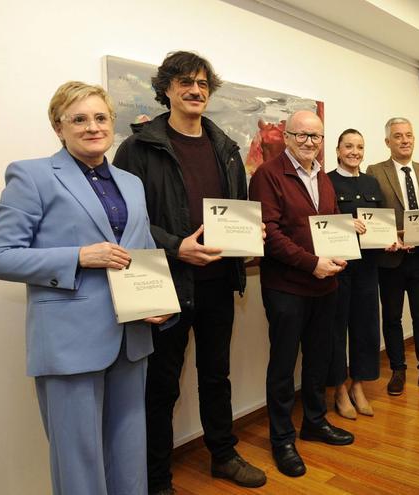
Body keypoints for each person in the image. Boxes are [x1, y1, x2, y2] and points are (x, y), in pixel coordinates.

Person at [0, 81, 171, 495]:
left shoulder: (131, 183)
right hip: (69, 341)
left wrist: (157, 301)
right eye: (79, 119)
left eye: (100, 118)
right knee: (78, 460)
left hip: (131, 337)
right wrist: (78, 256)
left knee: (129, 450)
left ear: (112, 124)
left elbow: (143, 249)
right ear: (58, 126)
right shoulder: (32, 176)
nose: (92, 127)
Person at [113, 51, 265, 494]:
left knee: (217, 376)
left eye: (201, 83)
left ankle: (223, 454)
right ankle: (156, 479)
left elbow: (238, 212)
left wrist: (248, 243)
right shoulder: (138, 148)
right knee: (161, 386)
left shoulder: (226, 147)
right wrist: (176, 246)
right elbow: (124, 219)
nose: (194, 90)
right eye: (184, 82)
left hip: (219, 283)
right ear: (166, 89)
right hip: (164, 282)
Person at [249, 110, 355, 478]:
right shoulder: (268, 175)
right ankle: (282, 440)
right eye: (303, 136)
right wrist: (312, 263)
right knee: (282, 366)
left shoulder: (321, 175)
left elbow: (331, 218)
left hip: (325, 285)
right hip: (287, 288)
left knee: (318, 359)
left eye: (317, 137)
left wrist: (345, 236)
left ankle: (314, 421)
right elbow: (271, 235)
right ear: (288, 137)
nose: (310, 143)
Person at [366, 117, 419, 397]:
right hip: (391, 259)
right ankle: (397, 371)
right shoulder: (374, 171)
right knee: (392, 318)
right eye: (398, 136)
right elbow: (373, 213)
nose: (405, 140)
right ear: (387, 142)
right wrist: (389, 236)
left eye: (409, 135)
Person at [327, 129, 392, 418]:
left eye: (360, 147)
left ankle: (358, 385)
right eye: (349, 146)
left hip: (367, 267)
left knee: (365, 328)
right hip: (339, 267)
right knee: (336, 328)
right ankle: (339, 388)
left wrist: (390, 240)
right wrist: (345, 224)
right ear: (338, 150)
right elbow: (320, 223)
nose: (355, 151)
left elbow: (380, 224)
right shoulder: (326, 181)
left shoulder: (371, 182)